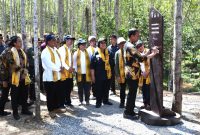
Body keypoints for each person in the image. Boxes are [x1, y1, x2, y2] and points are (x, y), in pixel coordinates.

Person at [123, 29, 159, 120]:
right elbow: (141, 58)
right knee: (132, 93)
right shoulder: (130, 46)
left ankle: (129, 111)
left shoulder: (129, 45)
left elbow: (140, 55)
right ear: (132, 36)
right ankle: (128, 113)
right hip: (131, 73)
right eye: (137, 35)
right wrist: (152, 50)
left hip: (132, 72)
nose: (138, 37)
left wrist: (149, 51)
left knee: (132, 93)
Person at [7, 36, 33, 120]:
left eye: (21, 41)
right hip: (15, 77)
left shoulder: (22, 51)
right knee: (15, 96)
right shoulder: (10, 51)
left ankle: (24, 109)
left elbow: (27, 62)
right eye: (19, 41)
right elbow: (11, 65)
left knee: (24, 94)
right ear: (14, 43)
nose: (21, 43)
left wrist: (26, 70)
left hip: (24, 77)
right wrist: (22, 70)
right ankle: (15, 113)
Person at [41, 34, 66, 118]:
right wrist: (59, 69)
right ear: (48, 42)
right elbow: (49, 64)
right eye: (53, 40)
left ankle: (56, 108)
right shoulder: (45, 51)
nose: (55, 41)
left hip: (57, 76)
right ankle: (50, 110)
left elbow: (60, 60)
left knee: (56, 93)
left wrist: (62, 67)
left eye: (55, 40)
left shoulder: (55, 49)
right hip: (49, 77)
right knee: (50, 95)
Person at [91, 37, 113, 108]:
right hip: (99, 76)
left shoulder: (109, 52)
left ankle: (105, 100)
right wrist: (93, 76)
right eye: (101, 43)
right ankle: (98, 102)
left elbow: (112, 64)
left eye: (104, 43)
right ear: (99, 44)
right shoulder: (95, 53)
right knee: (99, 89)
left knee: (106, 88)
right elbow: (92, 67)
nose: (103, 44)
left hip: (108, 75)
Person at [58, 35, 75, 107]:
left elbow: (71, 61)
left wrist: (72, 68)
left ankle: (68, 101)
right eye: (69, 39)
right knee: (63, 88)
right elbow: (62, 61)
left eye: (72, 40)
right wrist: (68, 68)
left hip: (69, 72)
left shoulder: (69, 49)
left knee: (69, 87)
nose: (71, 41)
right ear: (66, 40)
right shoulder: (62, 49)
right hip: (64, 72)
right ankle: (61, 103)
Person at [73, 38, 91, 105]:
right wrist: (75, 71)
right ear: (79, 45)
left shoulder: (88, 52)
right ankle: (81, 100)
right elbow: (74, 64)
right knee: (80, 88)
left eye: (84, 44)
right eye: (82, 44)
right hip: (79, 73)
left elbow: (90, 61)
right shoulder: (75, 53)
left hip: (87, 73)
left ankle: (87, 100)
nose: (83, 46)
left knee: (87, 88)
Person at [136, 40, 151, 110]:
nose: (140, 47)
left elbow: (152, 64)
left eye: (141, 45)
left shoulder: (148, 51)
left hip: (149, 74)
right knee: (144, 89)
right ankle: (145, 103)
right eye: (138, 46)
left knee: (149, 90)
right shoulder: (137, 54)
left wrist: (147, 73)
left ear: (143, 45)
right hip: (142, 74)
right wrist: (142, 73)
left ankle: (149, 104)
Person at [115, 37, 126, 108]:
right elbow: (116, 65)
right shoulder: (117, 53)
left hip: (130, 74)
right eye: (120, 44)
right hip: (121, 74)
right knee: (122, 89)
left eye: (123, 43)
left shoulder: (128, 51)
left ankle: (131, 104)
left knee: (131, 89)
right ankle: (122, 102)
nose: (122, 45)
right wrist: (118, 75)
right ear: (118, 45)